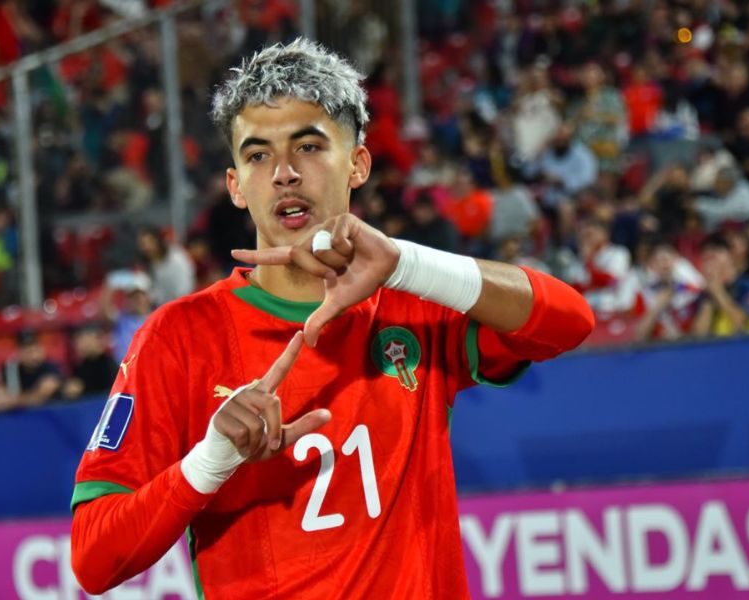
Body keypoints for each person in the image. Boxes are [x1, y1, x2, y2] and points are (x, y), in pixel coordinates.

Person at [69, 39, 594, 598]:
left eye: (309, 146)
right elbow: (94, 561)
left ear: (358, 164)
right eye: (257, 155)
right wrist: (210, 461)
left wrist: (407, 264)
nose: (284, 173)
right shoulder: (177, 337)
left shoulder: (415, 300)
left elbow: (570, 321)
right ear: (235, 187)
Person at [692, 234, 749, 338]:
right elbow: (699, 335)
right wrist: (710, 295)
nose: (710, 263)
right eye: (706, 259)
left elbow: (743, 325)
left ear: (730, 256)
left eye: (713, 257)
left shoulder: (748, 285)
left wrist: (718, 292)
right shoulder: (705, 293)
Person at [0, 332, 63, 412]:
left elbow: (40, 396)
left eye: (35, 350)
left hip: (49, 414)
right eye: (28, 351)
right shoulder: (11, 369)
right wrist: (10, 400)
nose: (33, 356)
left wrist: (13, 401)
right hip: (20, 417)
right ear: (18, 353)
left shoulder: (50, 367)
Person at [63, 326, 119, 400]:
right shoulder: (80, 367)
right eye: (76, 340)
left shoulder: (109, 366)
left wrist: (83, 389)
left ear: (96, 338)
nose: (78, 344)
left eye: (82, 338)